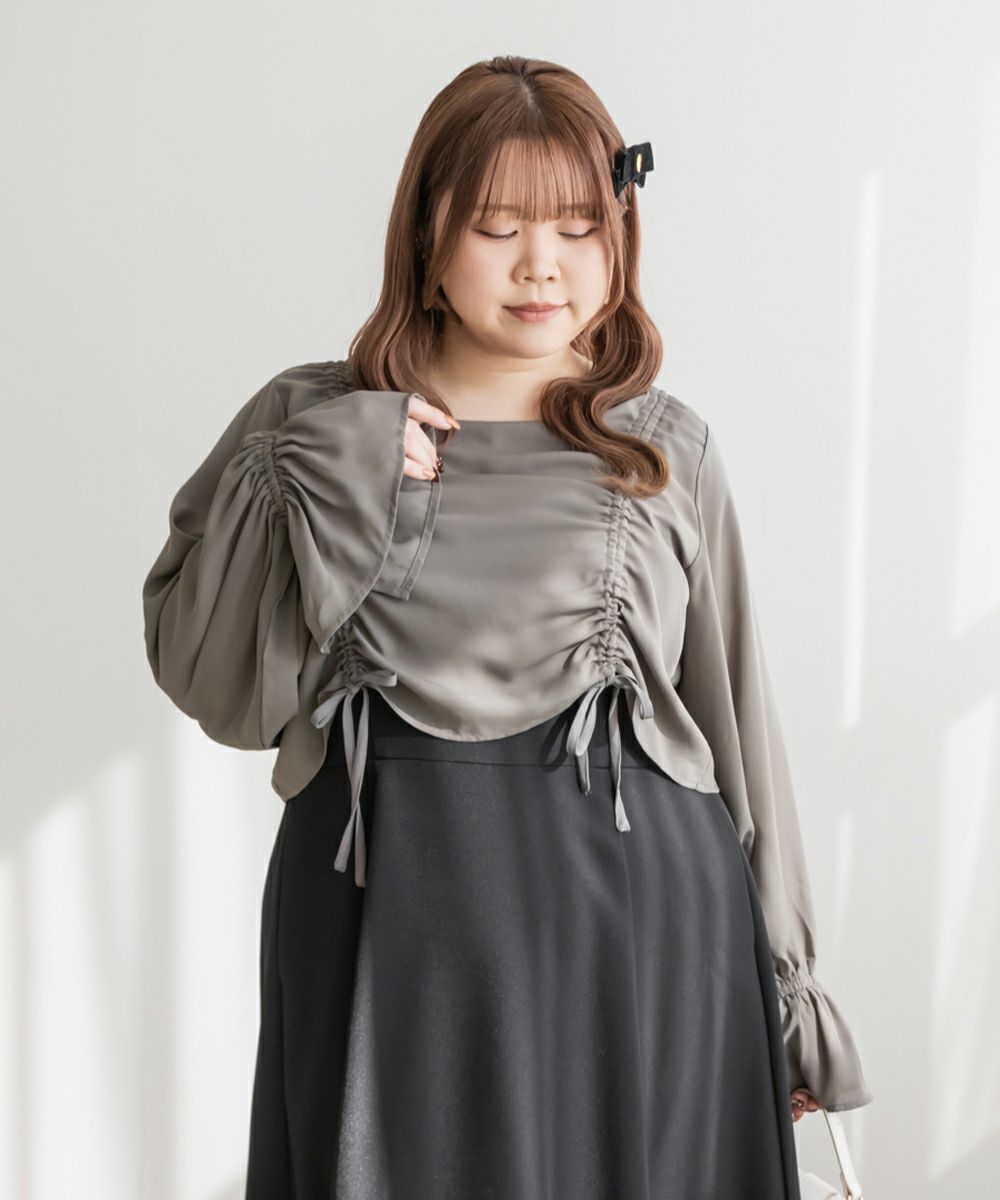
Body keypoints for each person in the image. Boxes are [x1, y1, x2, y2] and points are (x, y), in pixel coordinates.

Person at [141, 54, 872, 1200]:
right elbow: (210, 676)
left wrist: (790, 991)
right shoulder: (311, 427)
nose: (544, 266)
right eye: (499, 227)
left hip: (642, 943)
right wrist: (331, 469)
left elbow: (738, 729)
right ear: (427, 235)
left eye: (580, 228)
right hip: (387, 939)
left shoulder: (663, 447)